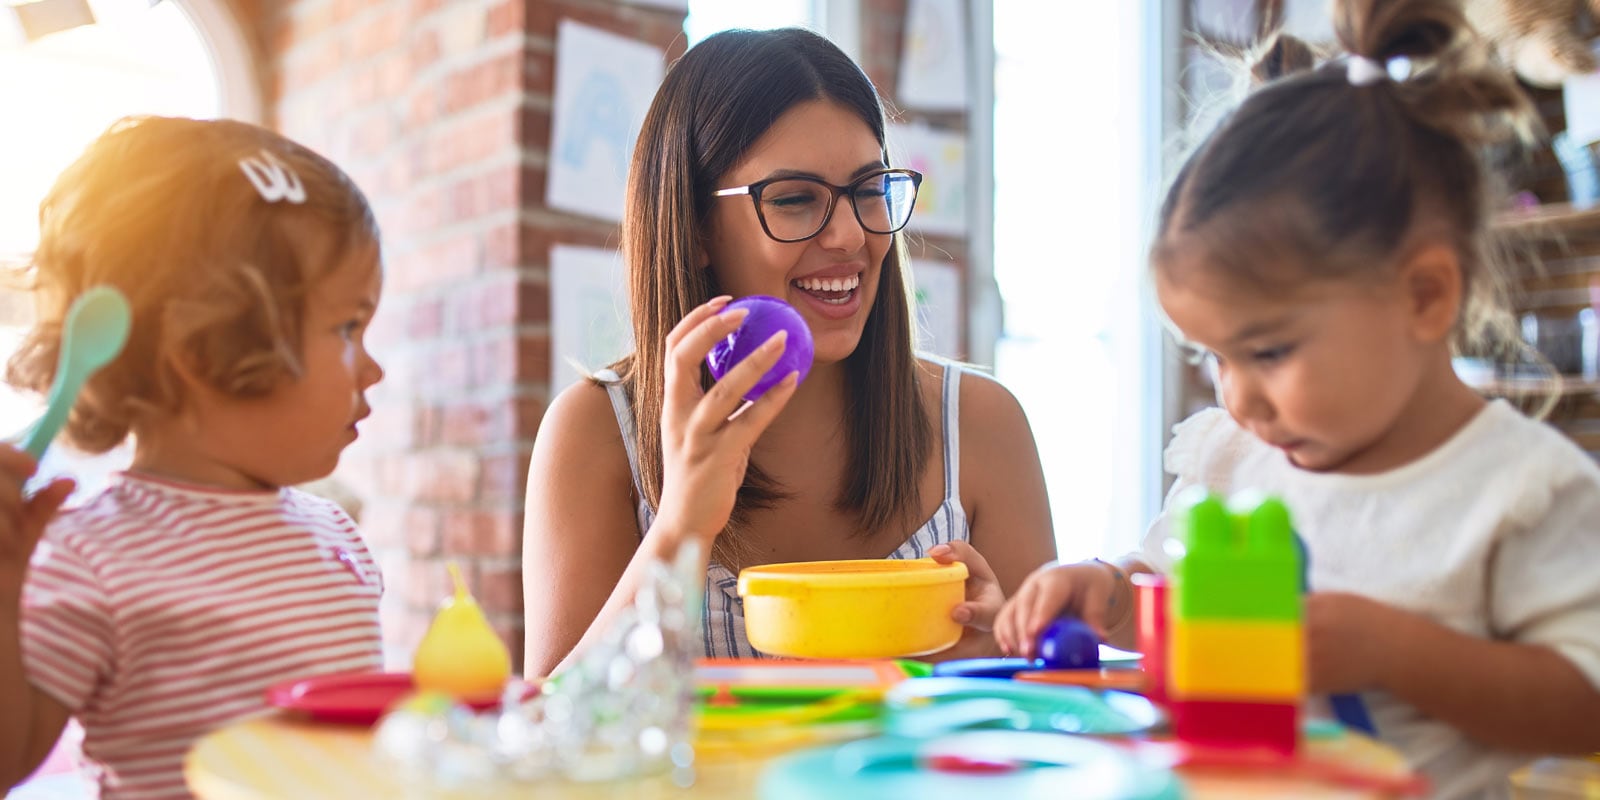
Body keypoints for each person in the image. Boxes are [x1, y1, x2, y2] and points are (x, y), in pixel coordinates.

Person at [995, 1, 1600, 795]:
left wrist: (1391, 650)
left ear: (1424, 296)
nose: (1239, 397)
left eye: (1270, 351)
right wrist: (1105, 591)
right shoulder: (1237, 458)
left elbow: (1582, 709)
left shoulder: (1521, 489)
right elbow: (1169, 590)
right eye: (1215, 355)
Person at [522, 27, 1057, 675]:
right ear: (695, 229)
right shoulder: (596, 433)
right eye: (796, 200)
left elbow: (1044, 721)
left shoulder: (982, 423)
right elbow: (553, 745)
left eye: (867, 190)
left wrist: (1005, 658)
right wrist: (682, 525)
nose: (849, 236)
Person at [1, 116, 387, 799]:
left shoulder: (337, 534)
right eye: (348, 328)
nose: (374, 369)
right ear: (203, 349)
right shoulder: (91, 555)